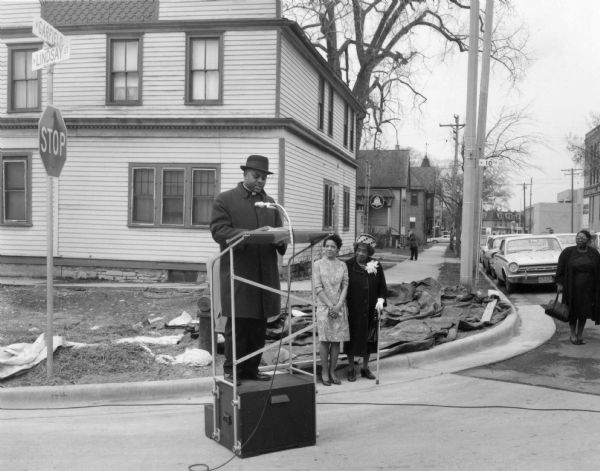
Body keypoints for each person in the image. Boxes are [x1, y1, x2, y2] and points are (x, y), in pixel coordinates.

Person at [210, 155, 286, 383]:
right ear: (245, 174)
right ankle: (232, 370)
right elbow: (219, 231)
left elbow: (279, 234)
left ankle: (252, 369)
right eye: (256, 176)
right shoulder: (226, 200)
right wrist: (249, 235)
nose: (260, 181)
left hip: (264, 276)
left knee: (258, 327)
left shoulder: (271, 204)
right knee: (239, 327)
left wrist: (281, 239)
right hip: (239, 274)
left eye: (263, 177)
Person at [344, 234, 387, 381]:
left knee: (369, 338)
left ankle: (364, 367)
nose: (361, 253)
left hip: (370, 309)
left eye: (365, 251)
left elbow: (382, 286)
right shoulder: (348, 265)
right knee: (351, 338)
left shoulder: (376, 265)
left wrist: (381, 299)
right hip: (352, 309)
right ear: (356, 249)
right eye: (359, 250)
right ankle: (350, 368)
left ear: (369, 252)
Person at [313, 234, 350, 386]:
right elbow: (317, 287)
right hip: (323, 307)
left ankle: (333, 371)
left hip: (339, 307)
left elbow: (346, 285)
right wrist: (329, 306)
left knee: (336, 341)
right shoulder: (317, 264)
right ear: (324, 248)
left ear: (338, 249)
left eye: (333, 246)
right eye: (327, 246)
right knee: (324, 340)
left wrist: (339, 304)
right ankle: (324, 371)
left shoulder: (342, 265)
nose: (329, 249)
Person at [555, 229, 600, 345]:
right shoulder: (567, 252)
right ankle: (572, 334)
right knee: (572, 312)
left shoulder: (594, 253)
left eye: (582, 238)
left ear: (588, 240)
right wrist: (560, 284)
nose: (579, 239)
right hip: (571, 288)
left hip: (588, 289)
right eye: (577, 237)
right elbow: (560, 269)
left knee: (584, 312)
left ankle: (580, 335)